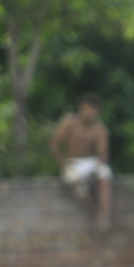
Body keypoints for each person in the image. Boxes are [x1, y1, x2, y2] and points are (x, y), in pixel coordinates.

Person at [49, 92, 112, 231]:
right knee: (78, 185)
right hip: (73, 162)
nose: (92, 114)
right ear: (82, 107)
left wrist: (96, 168)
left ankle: (104, 217)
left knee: (104, 174)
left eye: (95, 111)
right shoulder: (69, 123)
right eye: (89, 109)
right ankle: (94, 214)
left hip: (91, 161)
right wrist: (63, 163)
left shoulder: (99, 129)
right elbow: (54, 145)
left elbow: (103, 154)